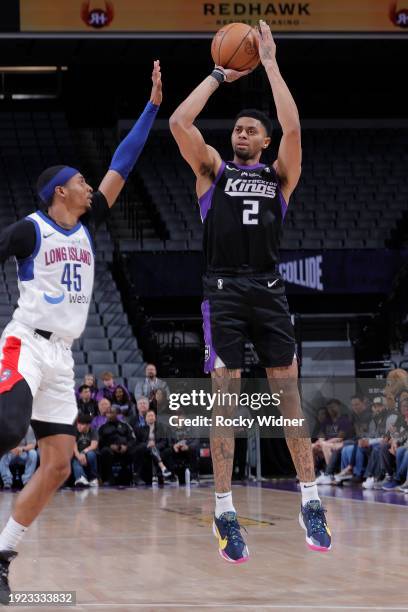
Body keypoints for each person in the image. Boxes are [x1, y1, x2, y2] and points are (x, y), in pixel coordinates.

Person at [0, 60, 162, 601]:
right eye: (81, 182)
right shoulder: (31, 228)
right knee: (7, 428)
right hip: (25, 342)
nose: (92, 186)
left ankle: (2, 555)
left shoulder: (87, 226)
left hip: (62, 359)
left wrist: (152, 107)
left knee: (60, 463)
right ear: (59, 193)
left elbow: (123, 161)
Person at [170, 20, 331, 563]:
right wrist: (219, 74)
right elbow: (179, 120)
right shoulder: (212, 172)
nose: (240, 132)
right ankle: (224, 510)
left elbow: (293, 124)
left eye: (249, 130)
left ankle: (311, 501)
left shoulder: (280, 176)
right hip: (224, 293)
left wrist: (269, 63)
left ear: (263, 142)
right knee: (226, 405)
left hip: (269, 291)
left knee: (289, 400)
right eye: (236, 128)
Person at [98, 405, 136, 485]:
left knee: (138, 449)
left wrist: (126, 446)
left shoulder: (125, 425)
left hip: (125, 450)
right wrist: (110, 446)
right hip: (110, 451)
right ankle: (109, 477)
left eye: (111, 413)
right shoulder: (102, 427)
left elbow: (132, 439)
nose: (109, 415)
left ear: (117, 414)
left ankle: (134, 476)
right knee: (105, 451)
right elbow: (100, 441)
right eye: (107, 413)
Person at [132, 409, 171, 485]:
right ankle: (163, 468)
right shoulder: (141, 430)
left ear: (155, 417)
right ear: (145, 419)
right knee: (149, 447)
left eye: (152, 416)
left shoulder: (161, 429)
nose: (151, 417)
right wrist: (147, 444)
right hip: (144, 450)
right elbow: (138, 443)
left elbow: (164, 442)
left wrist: (155, 445)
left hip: (157, 449)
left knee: (153, 448)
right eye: (149, 416)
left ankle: (161, 472)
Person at [162, 411, 200, 484]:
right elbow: (168, 442)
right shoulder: (170, 429)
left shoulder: (191, 427)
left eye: (180, 416)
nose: (179, 418)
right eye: (176, 417)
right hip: (176, 450)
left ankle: (194, 476)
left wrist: (188, 446)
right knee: (166, 451)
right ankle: (171, 477)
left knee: (193, 450)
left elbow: (196, 441)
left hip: (187, 449)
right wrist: (174, 446)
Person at [71, 413, 99, 488]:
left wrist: (83, 452)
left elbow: (94, 445)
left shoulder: (93, 431)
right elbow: (74, 445)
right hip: (79, 454)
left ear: (88, 425)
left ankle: (93, 479)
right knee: (75, 458)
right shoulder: (75, 431)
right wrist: (78, 455)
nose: (79, 426)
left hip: (89, 453)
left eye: (82, 424)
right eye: (78, 424)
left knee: (91, 454)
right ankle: (81, 478)